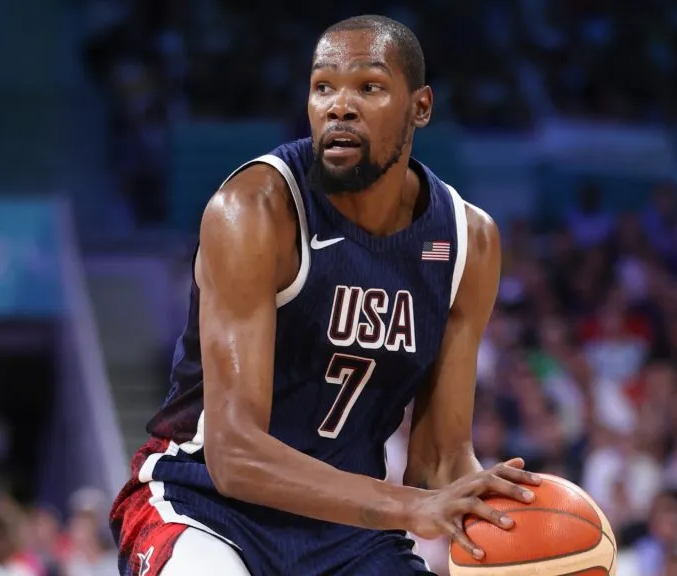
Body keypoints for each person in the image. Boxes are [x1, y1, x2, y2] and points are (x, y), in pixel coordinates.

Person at [110, 14, 541, 576]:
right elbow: (234, 455)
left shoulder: (467, 242)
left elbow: (438, 460)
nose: (340, 105)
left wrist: (512, 524)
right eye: (323, 87)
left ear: (421, 108)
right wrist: (413, 507)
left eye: (369, 86)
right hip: (202, 506)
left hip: (349, 534)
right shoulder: (255, 209)